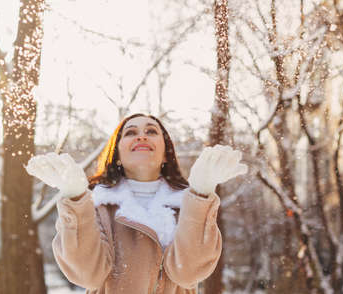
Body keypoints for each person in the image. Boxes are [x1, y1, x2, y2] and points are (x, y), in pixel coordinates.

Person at [25, 113, 248, 294]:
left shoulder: (190, 207)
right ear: (118, 153)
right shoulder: (94, 206)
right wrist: (74, 198)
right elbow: (87, 275)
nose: (142, 136)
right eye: (131, 132)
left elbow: (187, 273)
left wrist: (201, 194)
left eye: (151, 131)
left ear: (165, 154)